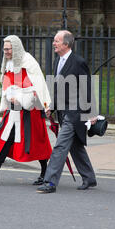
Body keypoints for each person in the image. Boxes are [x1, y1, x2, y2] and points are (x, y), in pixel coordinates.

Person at [0, 35, 52, 186]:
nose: (6, 52)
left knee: (36, 142)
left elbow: (35, 86)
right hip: (13, 109)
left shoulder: (28, 61)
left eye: (8, 49)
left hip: (30, 111)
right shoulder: (8, 62)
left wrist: (22, 98)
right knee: (6, 139)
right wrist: (8, 95)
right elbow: (6, 82)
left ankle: (46, 172)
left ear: (16, 48)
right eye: (4, 49)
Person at [37, 30, 98, 194]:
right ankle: (89, 178)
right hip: (63, 112)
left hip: (75, 112)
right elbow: (59, 88)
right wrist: (52, 106)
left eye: (57, 41)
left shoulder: (78, 62)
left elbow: (87, 86)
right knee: (75, 147)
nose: (54, 43)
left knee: (60, 147)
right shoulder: (58, 60)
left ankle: (50, 182)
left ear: (66, 44)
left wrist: (91, 113)